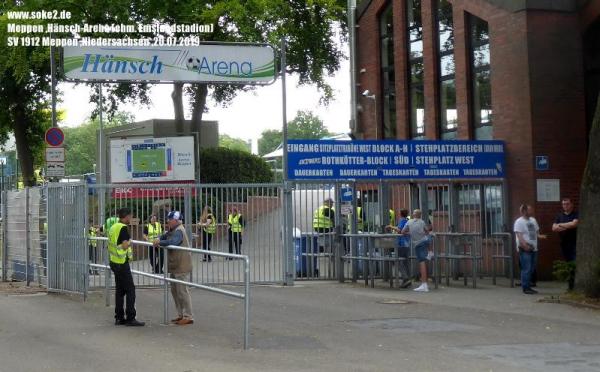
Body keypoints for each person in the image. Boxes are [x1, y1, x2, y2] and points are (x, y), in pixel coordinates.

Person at [154, 211, 194, 325]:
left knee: (182, 291)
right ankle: (180, 314)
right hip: (175, 265)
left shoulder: (179, 231)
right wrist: (159, 239)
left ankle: (188, 316)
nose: (167, 221)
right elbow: (165, 236)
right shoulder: (172, 230)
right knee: (175, 291)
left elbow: (174, 242)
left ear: (176, 221)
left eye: (170, 219)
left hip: (181, 265)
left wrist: (160, 242)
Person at [108, 208, 144, 326]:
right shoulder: (123, 228)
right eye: (131, 216)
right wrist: (130, 242)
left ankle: (119, 317)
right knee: (130, 290)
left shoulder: (113, 227)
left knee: (120, 290)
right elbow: (124, 245)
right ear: (127, 216)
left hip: (114, 261)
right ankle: (130, 317)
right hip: (121, 262)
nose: (131, 219)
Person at [514, 203, 547, 295]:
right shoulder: (519, 222)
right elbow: (519, 236)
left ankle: (528, 285)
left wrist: (541, 236)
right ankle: (526, 287)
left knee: (532, 268)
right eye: (529, 210)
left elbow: (536, 233)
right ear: (524, 211)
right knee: (526, 268)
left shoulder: (533, 220)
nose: (531, 211)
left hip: (534, 248)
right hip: (525, 249)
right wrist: (525, 246)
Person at [401, 209, 433, 292]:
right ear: (420, 215)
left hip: (418, 243)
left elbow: (403, 232)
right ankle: (430, 252)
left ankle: (424, 284)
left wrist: (411, 233)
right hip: (425, 241)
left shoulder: (409, 222)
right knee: (425, 260)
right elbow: (427, 231)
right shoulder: (422, 222)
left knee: (422, 262)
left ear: (413, 214)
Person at [552, 197, 579, 290]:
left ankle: (574, 286)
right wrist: (567, 225)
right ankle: (571, 286)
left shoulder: (576, 214)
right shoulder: (559, 215)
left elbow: (574, 224)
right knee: (568, 265)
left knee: (574, 264)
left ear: (572, 204)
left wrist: (560, 224)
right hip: (564, 244)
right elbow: (554, 228)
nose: (565, 206)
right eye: (563, 204)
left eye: (567, 204)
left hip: (575, 244)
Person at [387, 209, 412, 288]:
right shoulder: (408, 220)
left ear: (400, 214)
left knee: (398, 261)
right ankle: (408, 279)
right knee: (405, 262)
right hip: (407, 243)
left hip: (401, 243)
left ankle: (405, 278)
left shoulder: (402, 220)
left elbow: (400, 230)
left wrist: (391, 226)